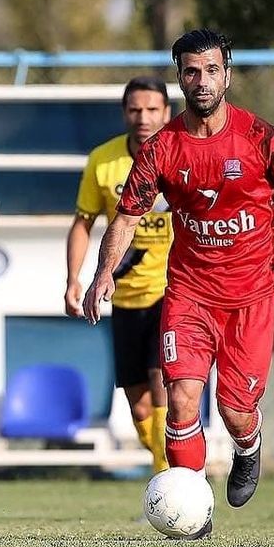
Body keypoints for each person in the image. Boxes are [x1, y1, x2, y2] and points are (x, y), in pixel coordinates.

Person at [83, 29, 274, 537]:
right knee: (182, 397)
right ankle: (194, 511)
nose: (202, 80)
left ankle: (248, 449)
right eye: (191, 71)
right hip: (188, 291)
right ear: (180, 77)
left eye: (212, 70)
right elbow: (124, 219)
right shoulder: (162, 149)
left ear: (227, 74)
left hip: (252, 294)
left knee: (235, 410)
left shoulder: (259, 137)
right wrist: (101, 275)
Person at [65, 76, 172, 474]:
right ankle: (165, 466)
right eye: (135, 110)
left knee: (163, 383)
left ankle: (172, 483)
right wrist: (74, 278)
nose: (143, 118)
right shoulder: (103, 160)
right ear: (125, 112)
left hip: (172, 291)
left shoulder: (183, 153)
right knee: (139, 404)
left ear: (166, 111)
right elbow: (83, 222)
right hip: (124, 297)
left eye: (152, 110)